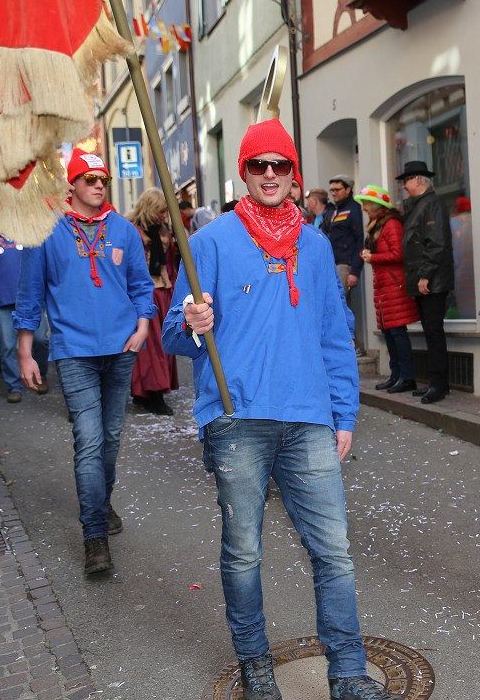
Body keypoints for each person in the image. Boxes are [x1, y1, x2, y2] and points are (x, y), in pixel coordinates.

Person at [162, 118, 395, 700]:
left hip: (309, 420)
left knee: (334, 552)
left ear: (295, 174)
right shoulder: (210, 241)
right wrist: (194, 325)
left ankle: (346, 673)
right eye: (258, 165)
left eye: (281, 165)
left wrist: (345, 415)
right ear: (243, 173)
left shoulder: (314, 245)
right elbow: (172, 331)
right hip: (237, 421)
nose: (270, 175)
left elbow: (335, 337)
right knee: (244, 552)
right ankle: (256, 668)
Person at [15, 148, 155, 575]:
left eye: (103, 179)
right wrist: (24, 351)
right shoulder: (46, 232)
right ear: (72, 184)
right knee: (90, 440)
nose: (98, 185)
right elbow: (29, 294)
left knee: (110, 439)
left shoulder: (125, 231)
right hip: (74, 351)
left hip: (120, 350)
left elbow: (140, 285)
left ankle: (102, 501)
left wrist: (143, 326)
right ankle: (94, 536)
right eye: (90, 179)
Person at [0, 222, 51, 403]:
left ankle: (40, 375)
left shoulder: (28, 232)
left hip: (31, 302)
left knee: (41, 340)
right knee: (7, 346)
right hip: (2, 302)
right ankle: (14, 385)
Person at [397, 160, 454, 404]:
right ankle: (437, 382)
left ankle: (438, 385)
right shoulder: (423, 204)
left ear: (419, 181)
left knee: (433, 333)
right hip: (428, 280)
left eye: (406, 181)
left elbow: (436, 242)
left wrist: (425, 275)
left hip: (432, 281)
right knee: (431, 333)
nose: (404, 186)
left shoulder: (431, 205)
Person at [356, 184, 419, 394]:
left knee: (397, 334)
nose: (364, 208)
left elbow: (399, 254)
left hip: (394, 285)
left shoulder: (390, 224)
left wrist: (373, 257)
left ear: (375, 205)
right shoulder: (379, 224)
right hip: (386, 286)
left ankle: (406, 377)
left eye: (365, 204)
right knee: (390, 334)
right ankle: (396, 375)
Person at [127, 188, 180, 415]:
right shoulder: (134, 232)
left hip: (164, 292)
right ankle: (151, 393)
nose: (163, 215)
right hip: (145, 294)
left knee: (164, 344)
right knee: (150, 347)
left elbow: (171, 264)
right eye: (160, 210)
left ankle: (149, 392)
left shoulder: (164, 230)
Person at [323, 174, 364, 294]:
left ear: (348, 190)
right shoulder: (333, 210)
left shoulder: (354, 209)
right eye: (332, 190)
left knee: (339, 301)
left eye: (337, 190)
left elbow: (359, 240)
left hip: (344, 264)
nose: (333, 193)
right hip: (331, 262)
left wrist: (355, 271)